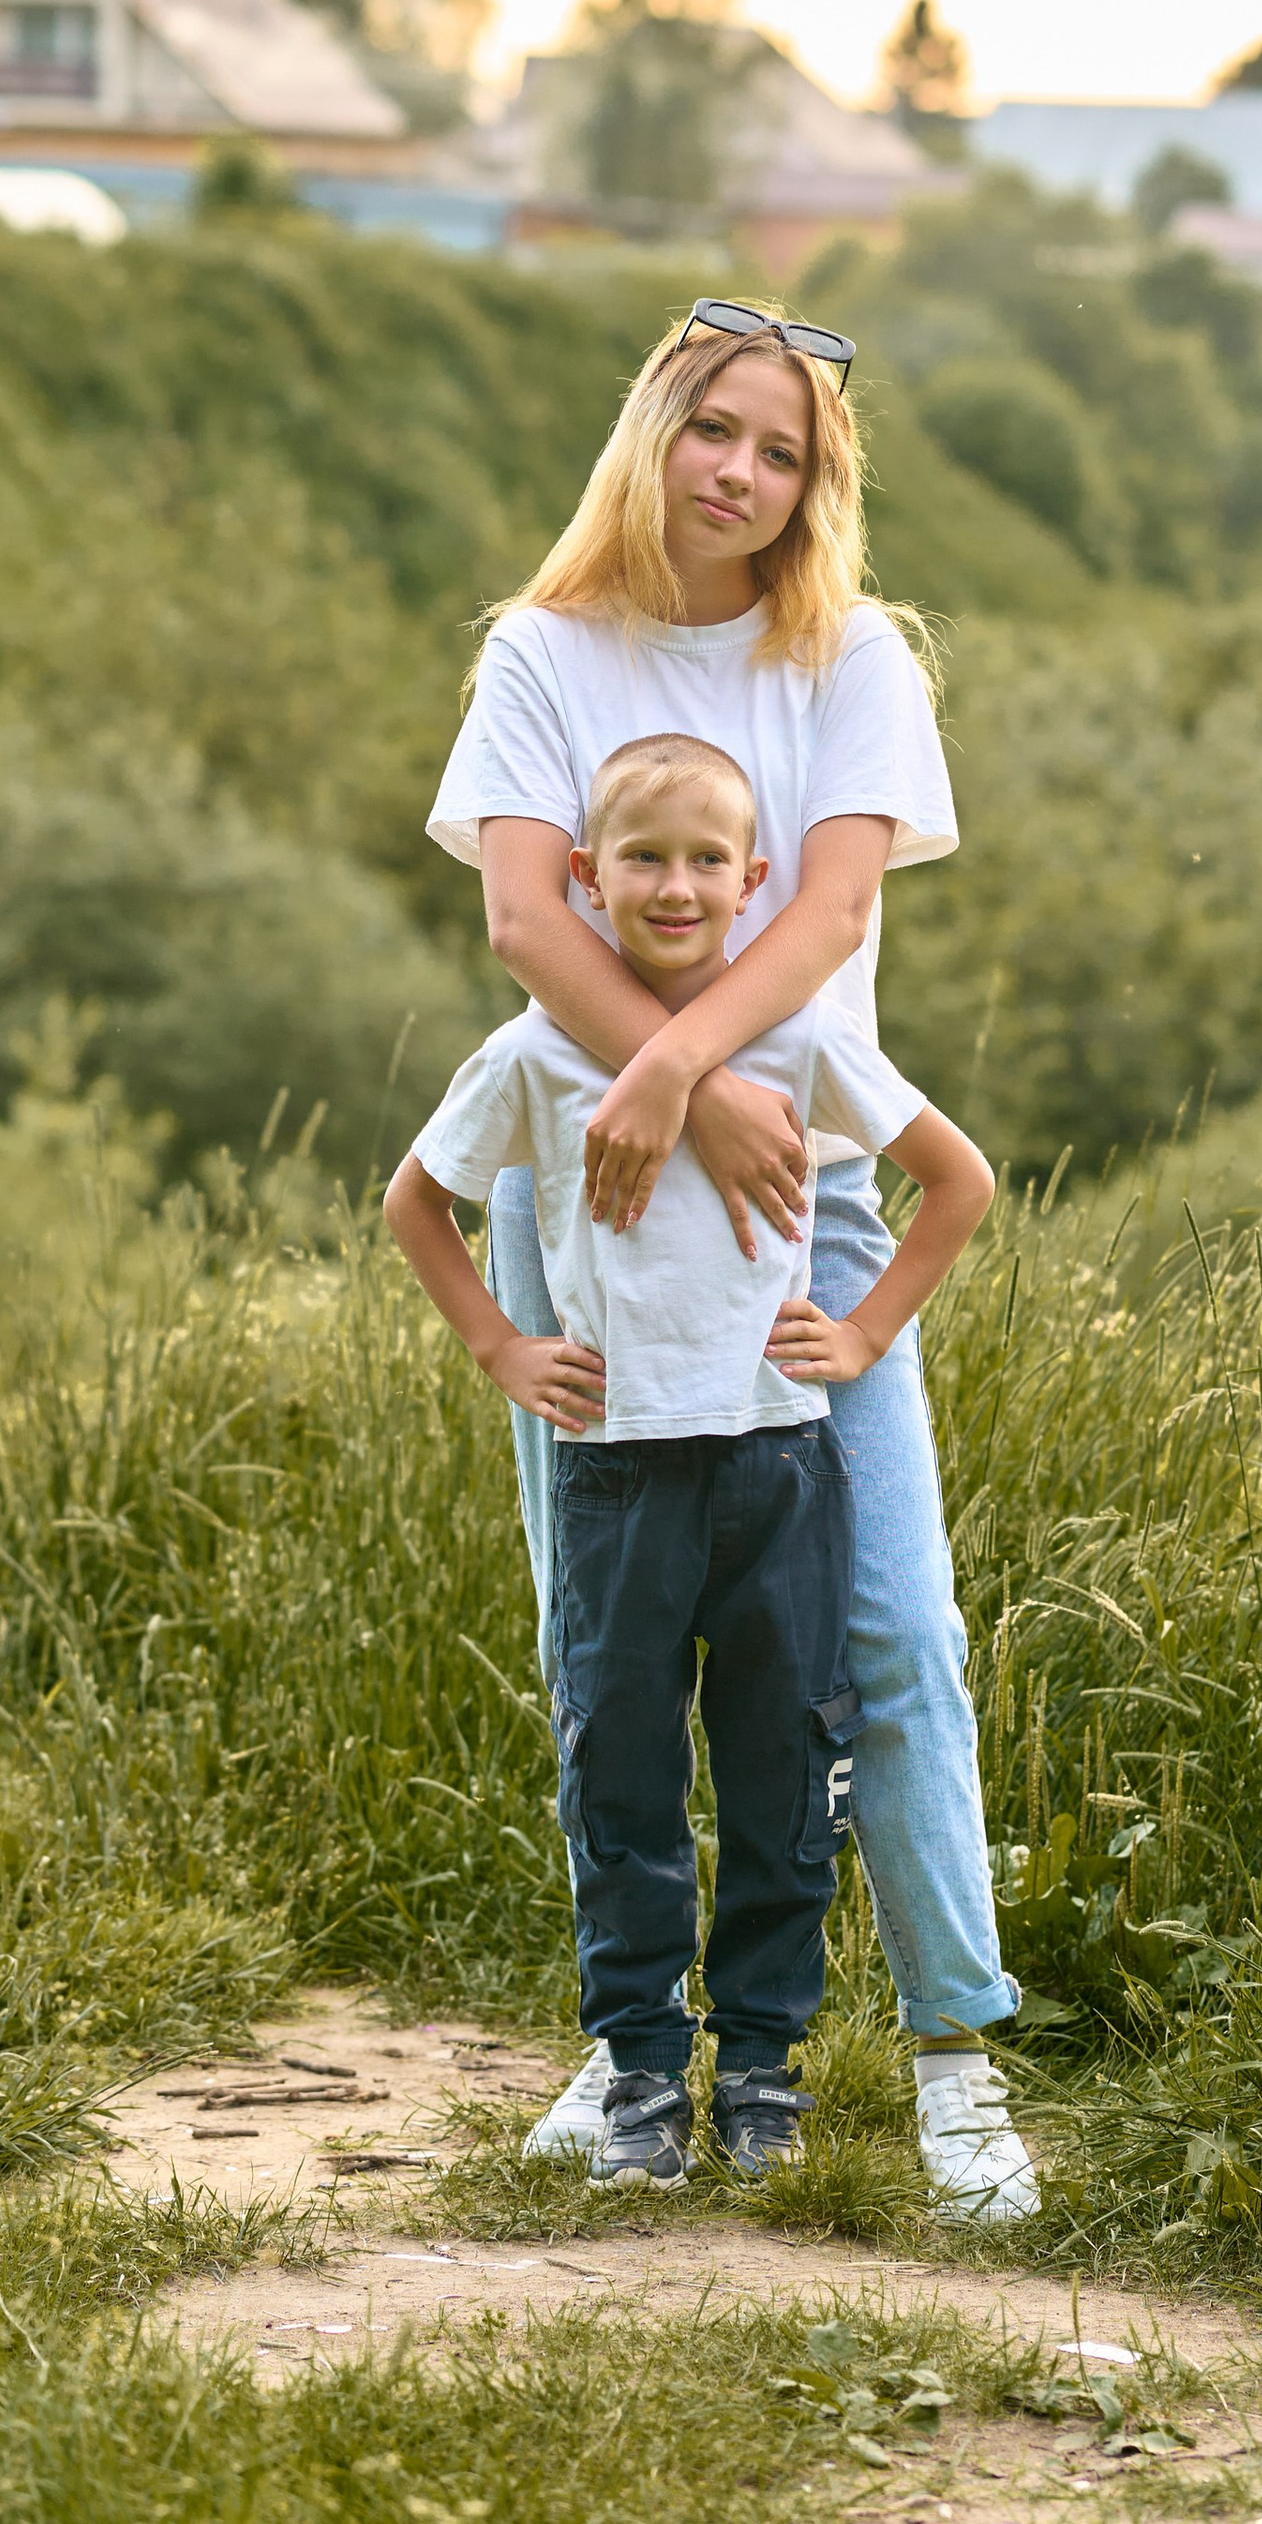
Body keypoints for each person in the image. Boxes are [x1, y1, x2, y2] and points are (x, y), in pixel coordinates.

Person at [426, 296, 1040, 2220]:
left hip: (803, 1200)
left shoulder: (850, 657)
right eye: (715, 429)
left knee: (892, 1631)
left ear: (811, 484)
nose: (739, 474)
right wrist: (677, 1090)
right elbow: (533, 923)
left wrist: (692, 1067)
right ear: (654, 428)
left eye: (781, 452)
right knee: (600, 1650)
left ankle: (955, 2068)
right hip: (589, 1206)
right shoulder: (543, 652)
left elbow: (831, 907)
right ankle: (627, 2061)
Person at [387, 731, 994, 2185]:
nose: (676, 886)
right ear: (586, 876)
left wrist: (858, 1337)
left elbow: (958, 1182)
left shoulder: (799, 1040)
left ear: (754, 877)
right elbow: (417, 1203)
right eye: (643, 860)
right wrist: (498, 1347)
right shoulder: (534, 1053)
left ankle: (764, 2076)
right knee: (627, 1772)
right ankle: (644, 2073)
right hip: (619, 1475)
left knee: (787, 1772)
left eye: (706, 860)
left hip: (777, 1471)